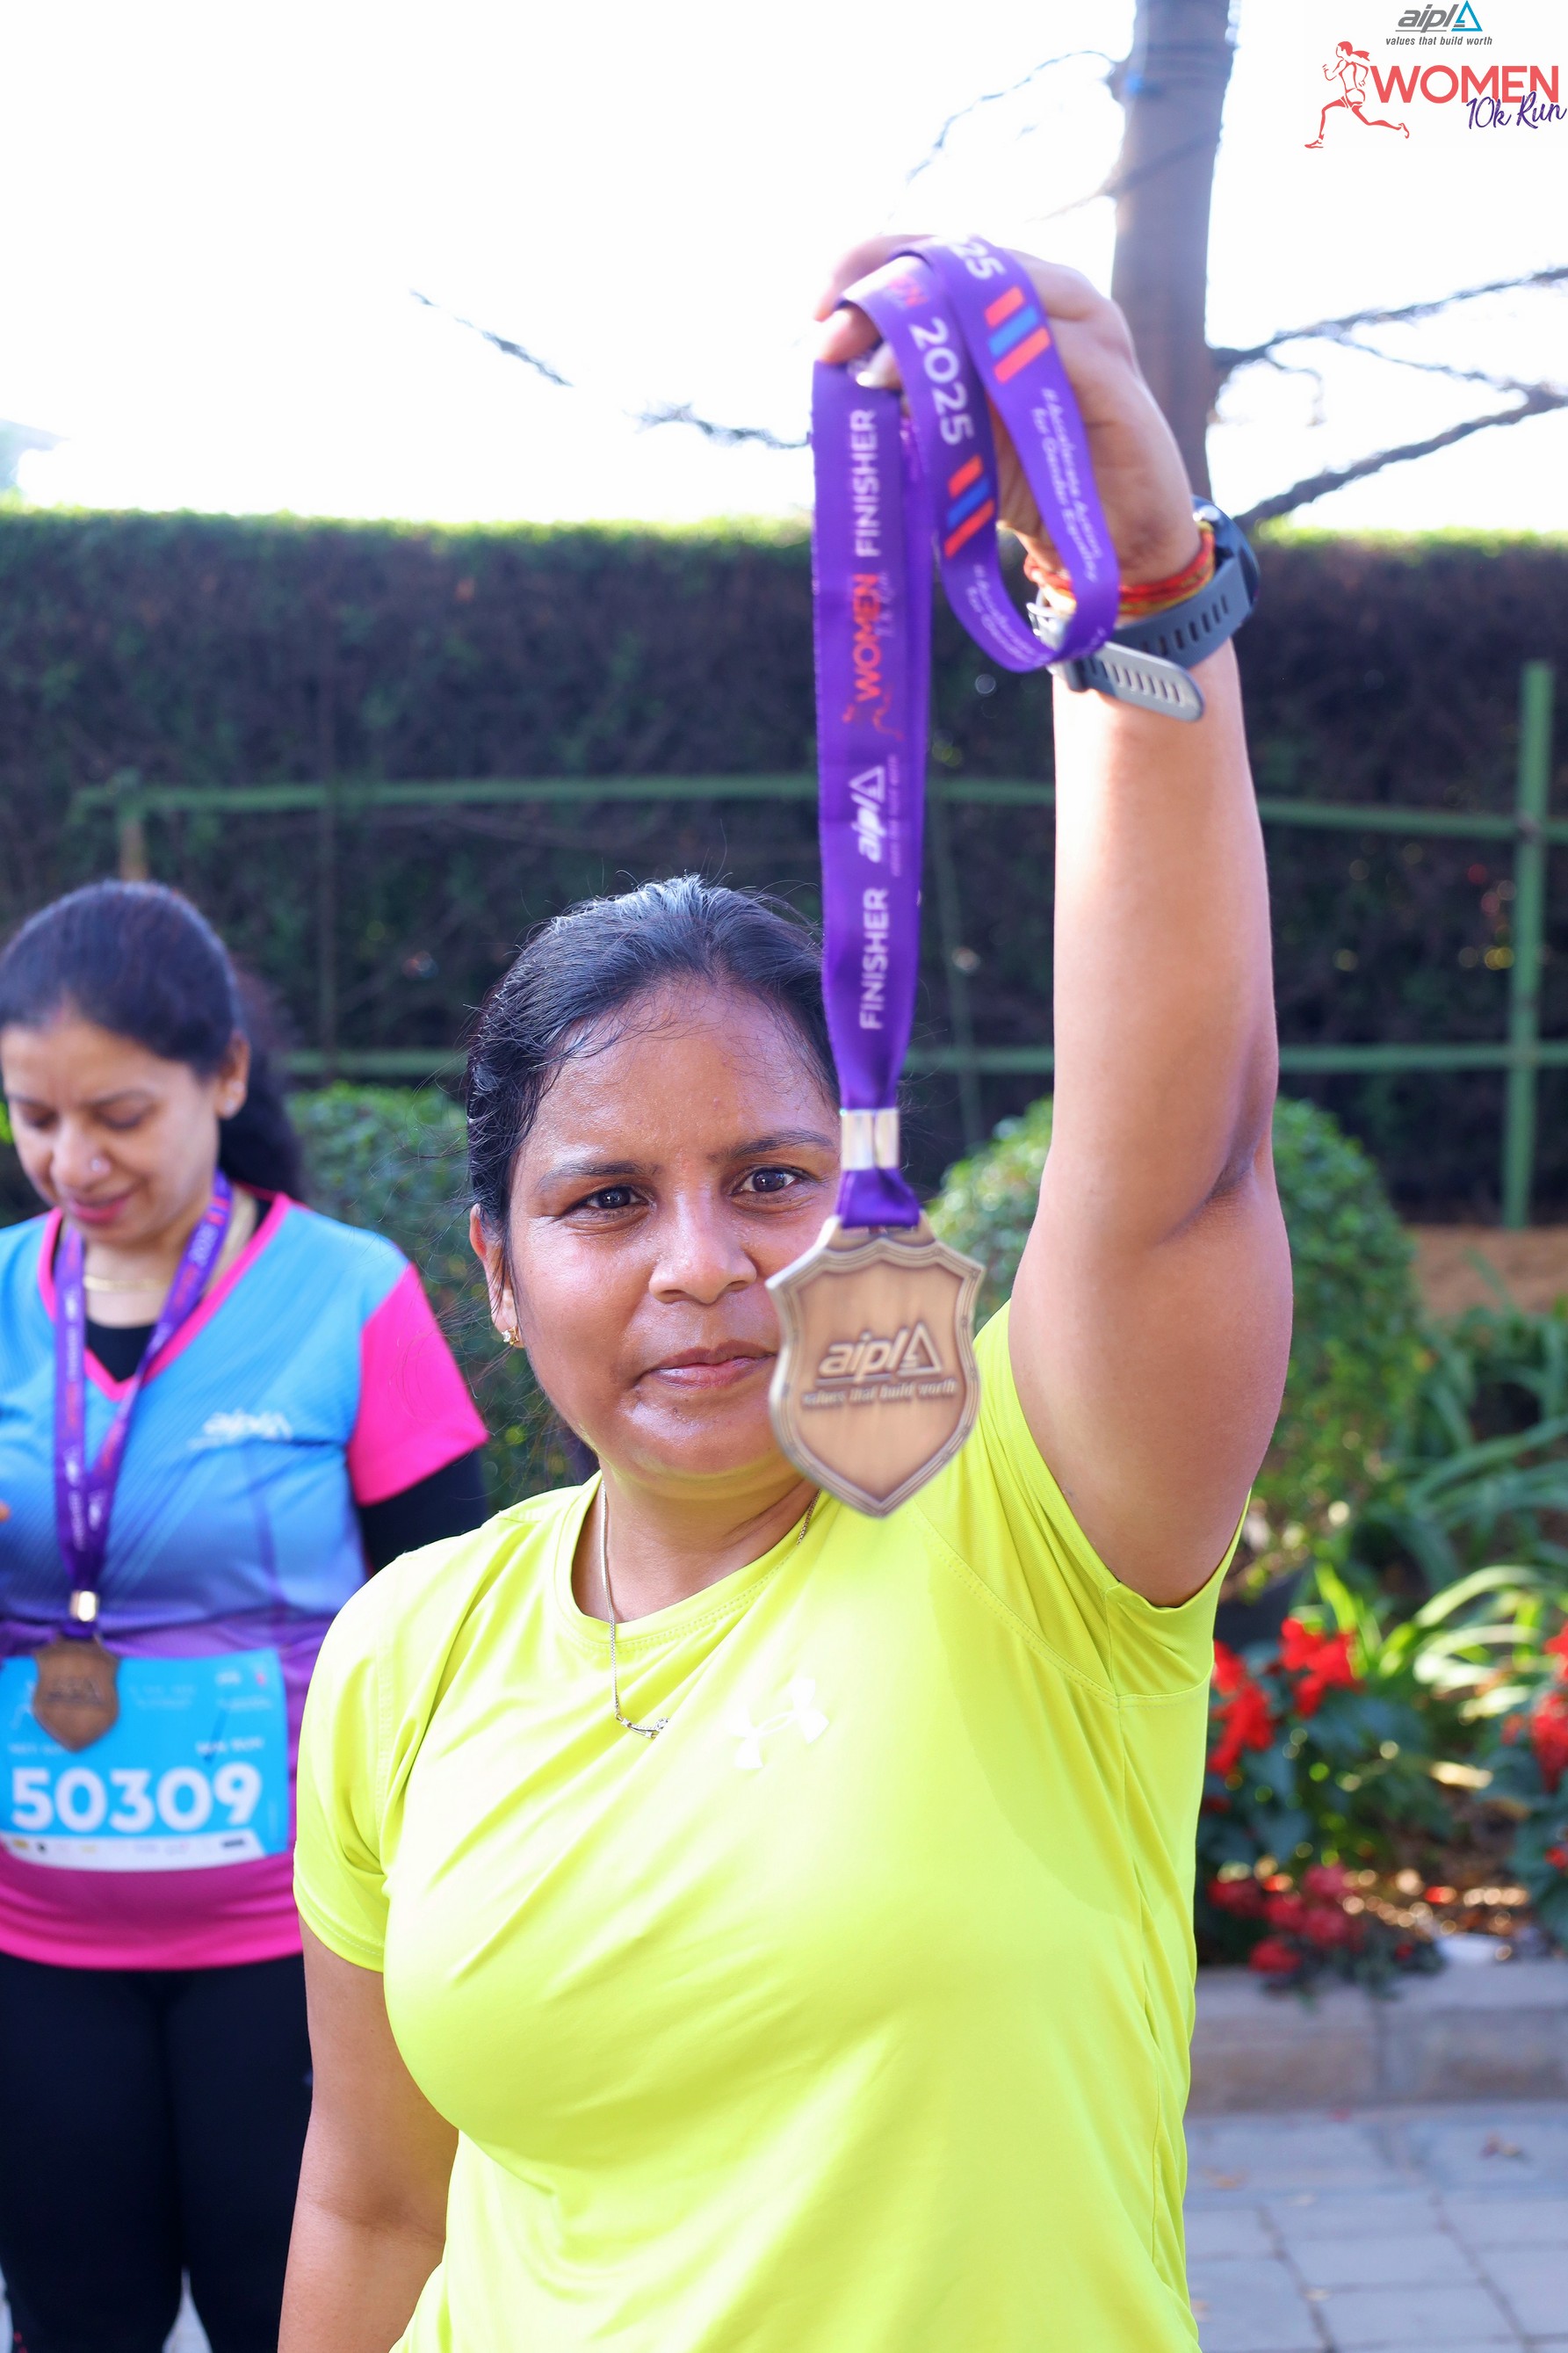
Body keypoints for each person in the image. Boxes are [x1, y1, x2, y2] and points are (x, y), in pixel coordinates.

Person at [283, 237, 1292, 2353]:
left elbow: (1179, 1160)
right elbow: (376, 2205)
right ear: (498, 1273)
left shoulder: (1036, 1518)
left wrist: (1145, 597)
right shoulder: (404, 1655)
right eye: (603, 1200)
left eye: (769, 1176)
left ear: (863, 1192)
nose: (701, 1262)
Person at [0, 881, 491, 2353]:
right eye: (34, 1117)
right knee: (71, 2319)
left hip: (290, 1949)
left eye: (118, 1115)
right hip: (37, 1947)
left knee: (301, 2314)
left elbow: (443, 1629)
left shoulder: (352, 1295)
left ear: (222, 1074)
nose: (72, 1160)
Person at [1306, 40, 1410, 145]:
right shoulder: (1351, 62)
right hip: (1351, 95)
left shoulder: (1343, 63)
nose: (1336, 50)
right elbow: (1366, 68)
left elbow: (1330, 77)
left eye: (1338, 49)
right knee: (1367, 122)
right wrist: (1362, 79)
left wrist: (1326, 70)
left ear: (1343, 50)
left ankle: (1320, 140)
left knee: (1326, 111)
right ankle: (1398, 127)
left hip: (1353, 95)